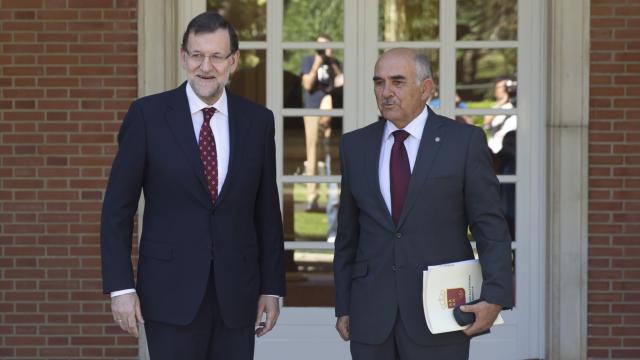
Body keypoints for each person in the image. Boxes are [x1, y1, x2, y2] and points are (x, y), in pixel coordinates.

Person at [100, 12, 285, 360]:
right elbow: (117, 211)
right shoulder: (147, 117)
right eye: (197, 55)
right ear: (184, 57)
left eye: (217, 56)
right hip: (169, 294)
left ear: (233, 61)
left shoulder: (258, 122)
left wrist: (271, 287)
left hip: (237, 296)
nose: (206, 66)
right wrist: (121, 287)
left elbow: (266, 212)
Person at [333, 48, 513, 359]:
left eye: (398, 82)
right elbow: (348, 234)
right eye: (379, 82)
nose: (386, 92)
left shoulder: (464, 142)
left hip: (441, 313)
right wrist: (344, 304)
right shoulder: (355, 145)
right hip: (370, 313)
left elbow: (490, 226)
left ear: (426, 89)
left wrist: (495, 295)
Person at [300, 34, 343, 212]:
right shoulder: (308, 60)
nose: (324, 50)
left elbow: (342, 82)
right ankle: (312, 197)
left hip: (334, 111)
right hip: (312, 110)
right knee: (313, 152)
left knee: (333, 151)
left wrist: (331, 61)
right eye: (320, 47)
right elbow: (307, 85)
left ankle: (335, 196)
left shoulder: (335, 63)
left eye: (327, 46)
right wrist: (318, 61)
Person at [483, 77, 517, 153]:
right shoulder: (495, 107)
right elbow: (486, 122)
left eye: (501, 87)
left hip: (511, 148)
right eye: (497, 88)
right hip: (495, 148)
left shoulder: (514, 107)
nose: (498, 90)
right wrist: (502, 101)